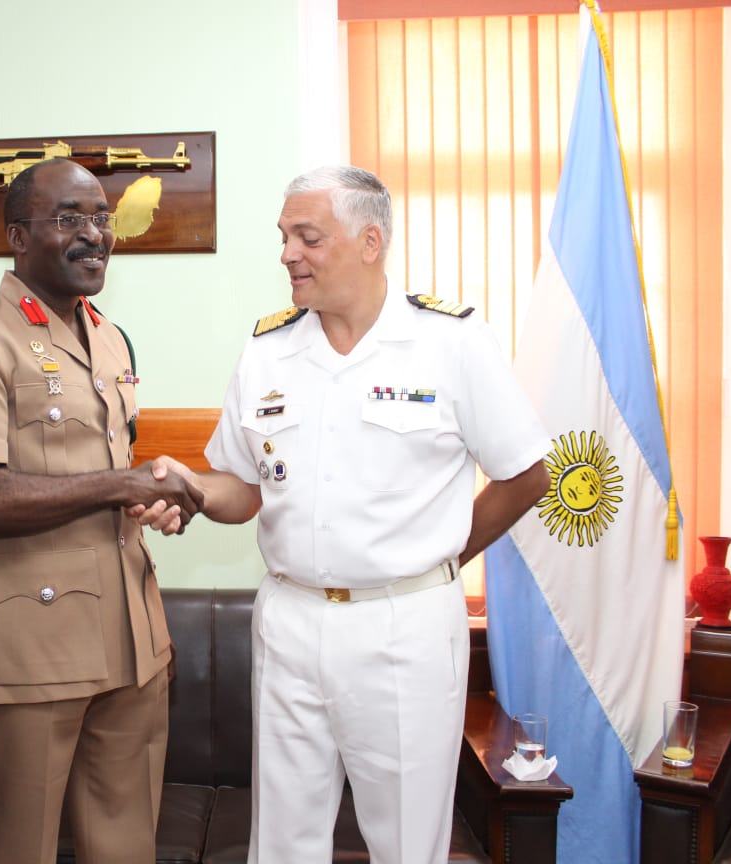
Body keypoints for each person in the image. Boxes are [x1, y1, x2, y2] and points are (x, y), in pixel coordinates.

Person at [138, 165, 551, 863]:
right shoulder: (269, 349)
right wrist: (194, 491)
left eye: (308, 237)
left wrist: (442, 557)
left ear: (370, 241)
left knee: (406, 844)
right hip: (290, 620)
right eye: (283, 237)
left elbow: (527, 475)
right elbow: (242, 486)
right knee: (282, 843)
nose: (287, 254)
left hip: (404, 626)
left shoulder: (449, 342)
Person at [0, 157, 203, 864]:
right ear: (18, 237)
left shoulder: (108, 336)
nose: (95, 234)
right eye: (69, 218)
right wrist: (120, 486)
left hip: (133, 637)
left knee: (126, 845)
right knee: (24, 848)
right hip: (33, 645)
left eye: (102, 217)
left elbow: (113, 473)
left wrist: (152, 501)